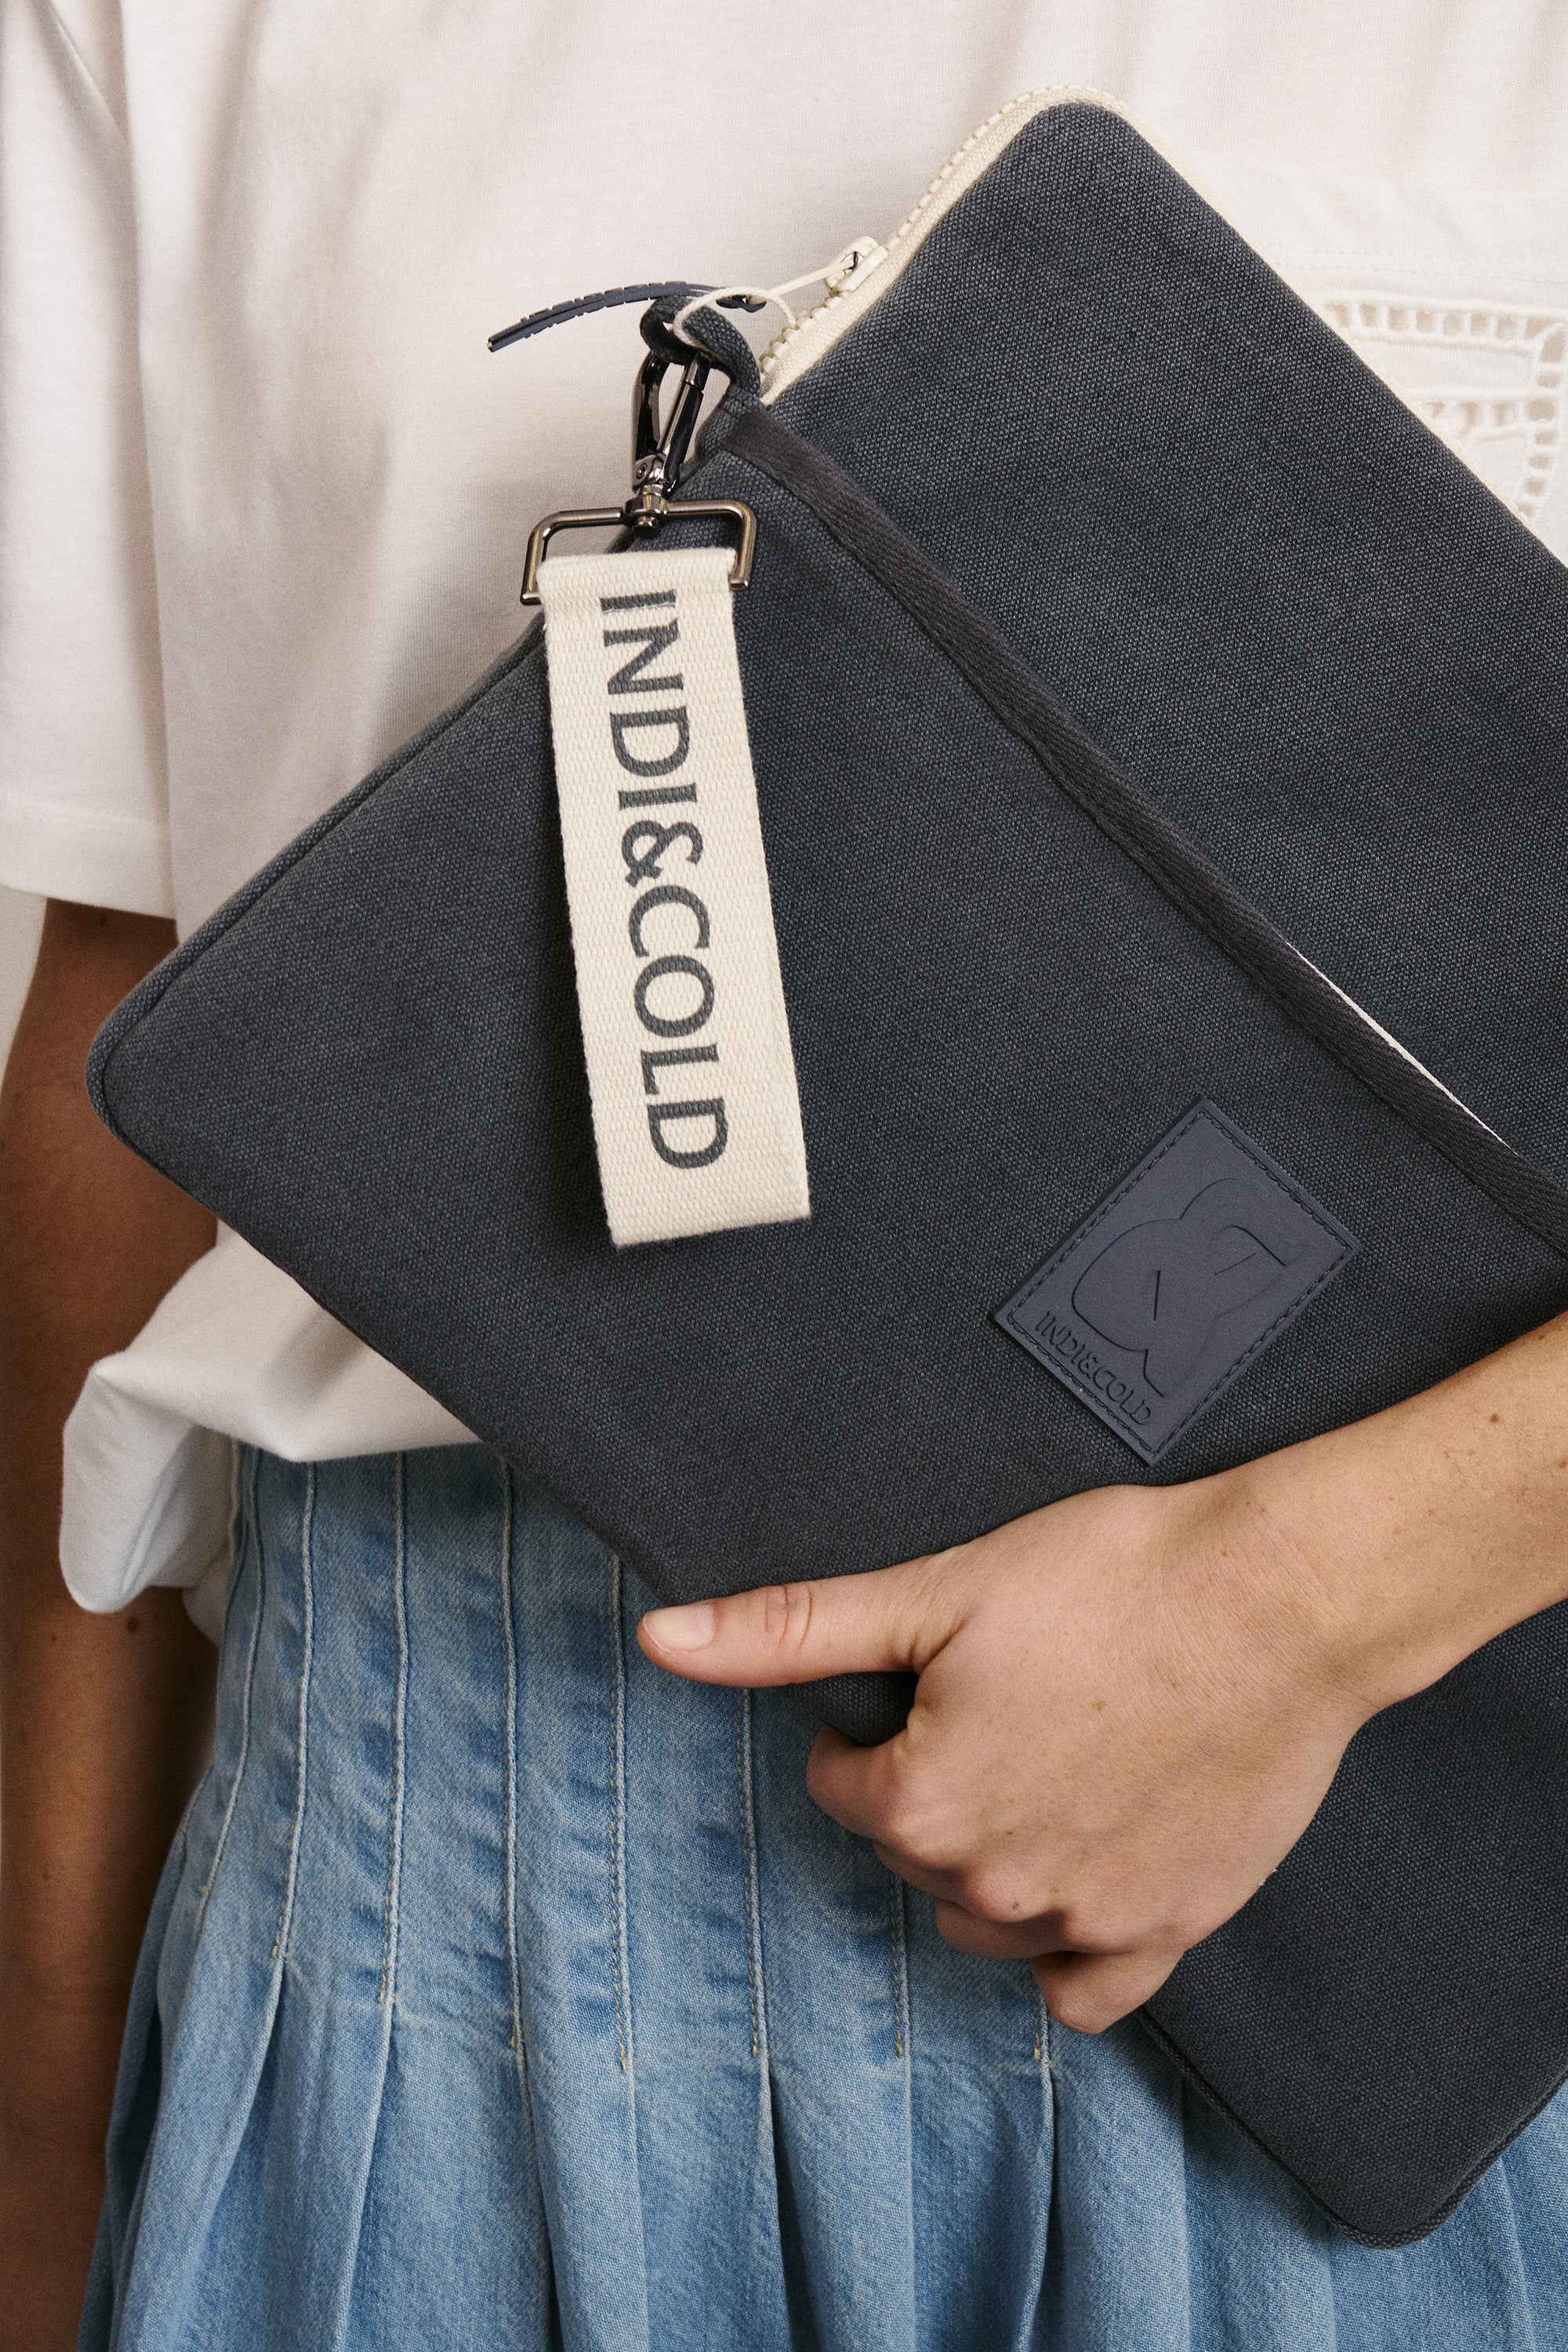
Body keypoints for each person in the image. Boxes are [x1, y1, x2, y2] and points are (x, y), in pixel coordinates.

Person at [4, 4, 1568, 2346]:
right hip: (406, 1887)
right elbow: (125, 1024)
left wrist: (1309, 1603)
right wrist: (42, 2122)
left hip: (1328, 1844)